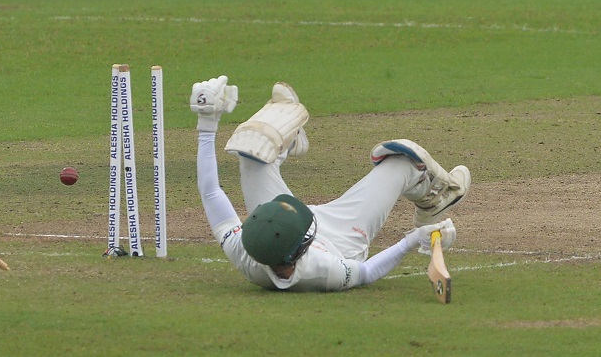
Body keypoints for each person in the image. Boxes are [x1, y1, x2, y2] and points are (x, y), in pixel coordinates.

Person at [190, 75, 471, 292]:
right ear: (302, 247)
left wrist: (207, 122)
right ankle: (438, 195)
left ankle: (290, 140)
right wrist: (413, 240)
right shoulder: (323, 270)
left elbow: (211, 192)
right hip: (344, 237)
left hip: (279, 226)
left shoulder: (246, 248)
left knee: (252, 149)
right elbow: (368, 272)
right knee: (405, 159)